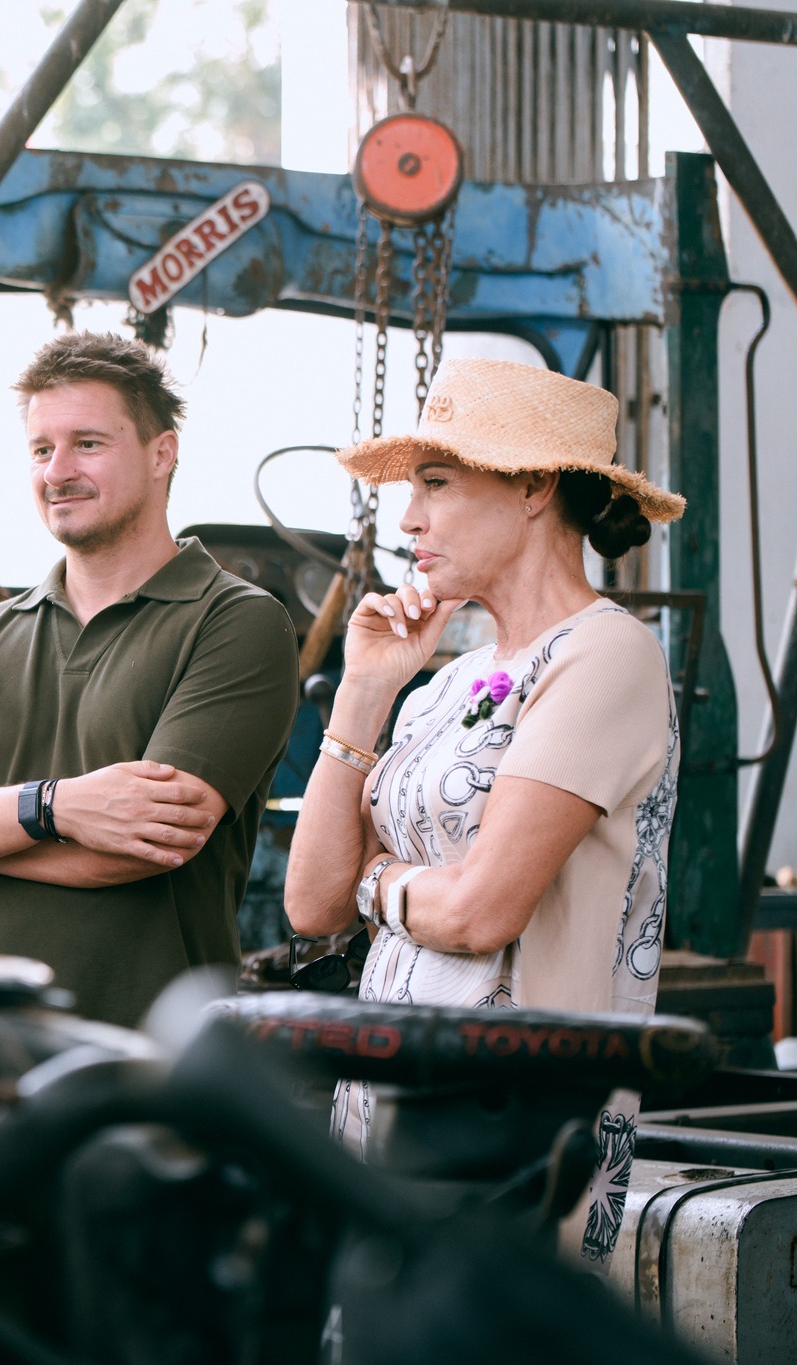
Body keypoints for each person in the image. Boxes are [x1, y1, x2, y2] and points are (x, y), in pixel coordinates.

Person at [281, 357, 683, 1263]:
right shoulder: (447, 682)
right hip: (388, 1111)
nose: (408, 519)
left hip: (508, 1131)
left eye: (436, 483)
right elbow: (309, 903)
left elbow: (479, 911)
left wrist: (375, 881)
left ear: (535, 486)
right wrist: (363, 692)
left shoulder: (606, 654)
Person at [0, 332, 300, 1026]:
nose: (58, 471)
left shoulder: (237, 622)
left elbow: (148, 843)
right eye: (41, 449)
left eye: (88, 444)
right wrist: (55, 808)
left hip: (154, 1049)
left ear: (162, 453)